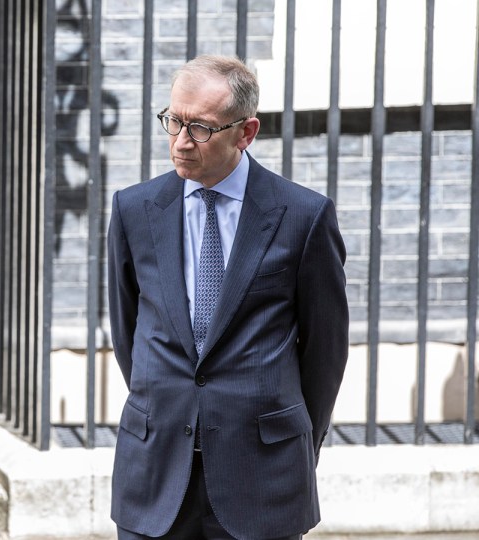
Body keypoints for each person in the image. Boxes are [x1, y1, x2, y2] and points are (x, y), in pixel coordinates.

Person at [106, 55, 348, 539]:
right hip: (154, 474)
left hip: (262, 478)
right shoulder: (134, 209)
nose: (180, 141)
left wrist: (294, 444)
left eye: (200, 128)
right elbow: (128, 328)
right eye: (173, 121)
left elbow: (325, 353)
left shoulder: (303, 216)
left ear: (246, 132)